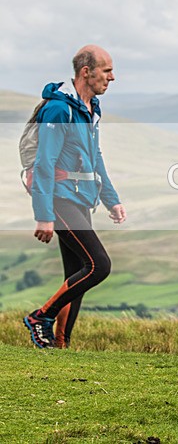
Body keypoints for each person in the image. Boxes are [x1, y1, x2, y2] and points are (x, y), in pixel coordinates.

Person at [22, 45, 126, 349]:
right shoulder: (59, 109)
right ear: (86, 72)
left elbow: (96, 157)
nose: (112, 77)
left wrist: (112, 199)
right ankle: (41, 316)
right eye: (106, 70)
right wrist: (43, 215)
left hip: (81, 197)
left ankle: (60, 344)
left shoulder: (90, 108)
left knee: (78, 273)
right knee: (98, 265)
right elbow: (44, 162)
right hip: (60, 197)